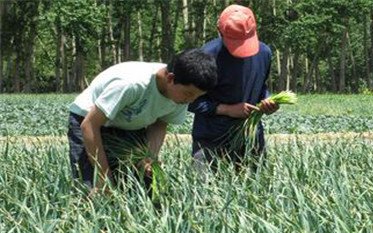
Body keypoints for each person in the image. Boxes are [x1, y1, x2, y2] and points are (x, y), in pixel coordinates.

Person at [68, 49, 217, 195]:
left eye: (196, 97)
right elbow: (89, 125)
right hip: (90, 122)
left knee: (138, 188)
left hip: (130, 124)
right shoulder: (132, 84)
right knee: (92, 189)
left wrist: (149, 157)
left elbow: (160, 123)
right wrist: (103, 177)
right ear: (170, 78)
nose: (190, 101)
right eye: (188, 94)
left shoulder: (180, 97)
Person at [188, 4, 279, 170]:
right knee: (203, 193)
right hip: (211, 140)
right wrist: (227, 109)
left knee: (255, 190)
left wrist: (267, 100)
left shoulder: (264, 53)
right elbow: (190, 101)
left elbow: (260, 87)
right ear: (219, 30)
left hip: (250, 138)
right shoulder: (206, 56)